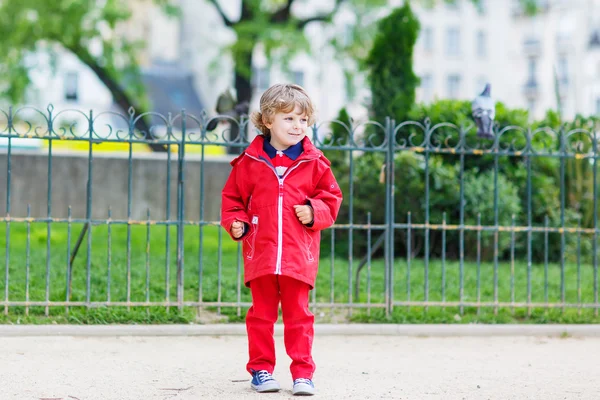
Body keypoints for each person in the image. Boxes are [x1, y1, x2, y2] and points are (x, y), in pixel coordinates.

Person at [221, 83, 343, 396]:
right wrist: (237, 222)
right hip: (260, 252)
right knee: (260, 316)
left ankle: (303, 374)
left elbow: (331, 198)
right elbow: (233, 198)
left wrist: (313, 211)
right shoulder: (249, 162)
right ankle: (261, 371)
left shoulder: (315, 162)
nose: (297, 126)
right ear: (267, 120)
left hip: (298, 254)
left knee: (299, 317)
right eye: (289, 119)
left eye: (303, 120)